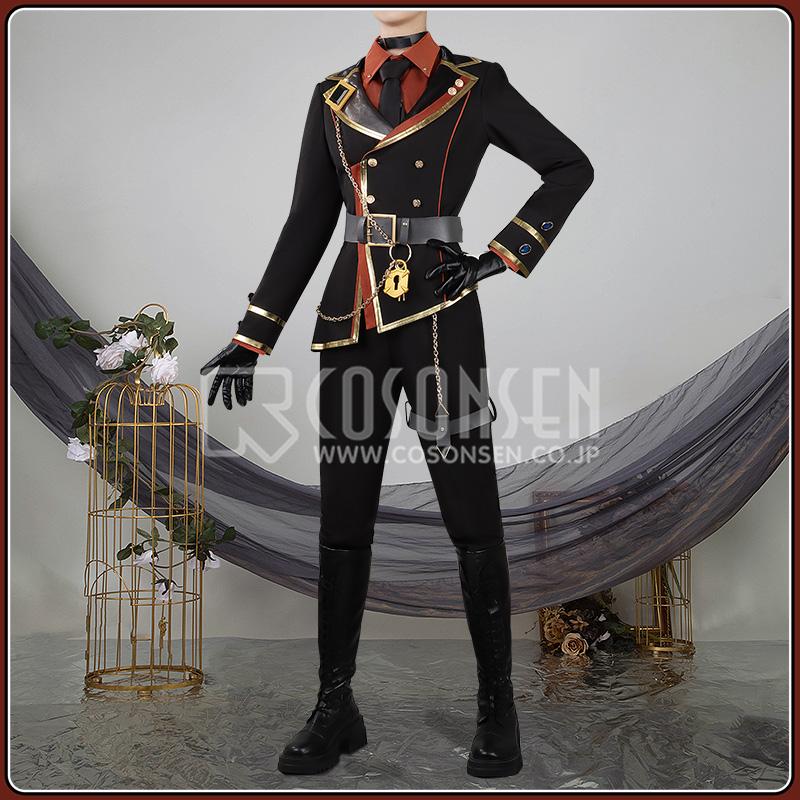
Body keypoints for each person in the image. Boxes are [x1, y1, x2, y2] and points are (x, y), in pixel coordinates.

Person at [201, 9, 593, 778]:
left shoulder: (476, 85)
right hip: (351, 323)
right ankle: (334, 706)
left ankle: (497, 707)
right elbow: (310, 219)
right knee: (344, 520)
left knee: (471, 516)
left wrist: (497, 257)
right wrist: (255, 333)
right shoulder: (332, 96)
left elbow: (568, 166)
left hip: (441, 320)